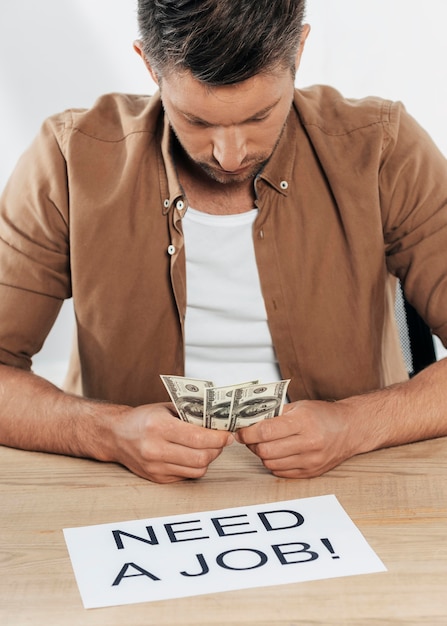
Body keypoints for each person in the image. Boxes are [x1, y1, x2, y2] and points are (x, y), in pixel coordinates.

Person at [0, 0, 446, 484]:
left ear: (299, 48)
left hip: (351, 482)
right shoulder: (68, 160)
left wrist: (356, 426)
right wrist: (108, 434)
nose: (230, 156)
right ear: (148, 64)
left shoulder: (380, 147)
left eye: (260, 116)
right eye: (197, 121)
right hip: (131, 495)